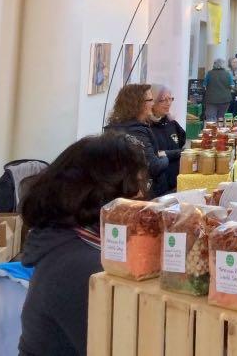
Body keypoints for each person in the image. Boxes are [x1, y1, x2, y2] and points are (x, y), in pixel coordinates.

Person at [19, 133, 150, 356]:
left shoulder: (67, 240)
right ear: (104, 195)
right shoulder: (80, 266)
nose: (142, 196)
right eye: (136, 187)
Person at [104, 83, 167, 196]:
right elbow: (153, 166)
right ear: (139, 104)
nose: (153, 103)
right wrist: (164, 158)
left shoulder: (115, 127)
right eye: (150, 100)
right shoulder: (137, 131)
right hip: (141, 195)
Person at [149, 84, 186, 192]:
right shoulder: (147, 127)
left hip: (176, 182)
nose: (168, 103)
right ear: (152, 102)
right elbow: (156, 155)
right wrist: (180, 152)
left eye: (170, 99)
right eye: (163, 100)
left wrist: (170, 153)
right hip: (159, 186)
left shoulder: (171, 123)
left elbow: (181, 142)